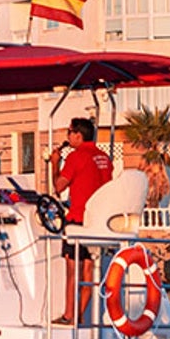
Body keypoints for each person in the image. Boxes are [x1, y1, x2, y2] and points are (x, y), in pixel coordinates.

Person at [50, 117, 113, 324]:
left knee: (72, 270)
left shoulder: (77, 157)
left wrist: (55, 164)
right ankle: (80, 315)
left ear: (78, 135)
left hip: (77, 219)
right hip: (97, 222)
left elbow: (59, 186)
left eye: (69, 133)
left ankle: (69, 315)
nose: (68, 137)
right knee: (89, 270)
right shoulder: (104, 158)